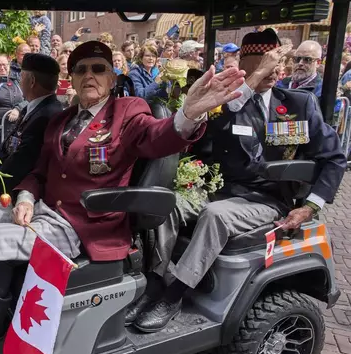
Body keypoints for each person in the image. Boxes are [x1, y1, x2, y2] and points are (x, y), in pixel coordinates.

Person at [0, 40, 247, 353]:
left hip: (87, 224)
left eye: (98, 69)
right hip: (45, 211)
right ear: (71, 79)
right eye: (81, 69)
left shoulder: (128, 112)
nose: (90, 75)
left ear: (112, 78)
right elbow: (39, 172)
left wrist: (188, 113)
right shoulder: (61, 120)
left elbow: (157, 137)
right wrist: (25, 199)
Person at [131, 29, 346, 332]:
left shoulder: (299, 104)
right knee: (168, 203)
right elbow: (217, 124)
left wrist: (311, 206)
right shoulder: (229, 101)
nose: (274, 70)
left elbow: (333, 157)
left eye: (277, 62)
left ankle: (174, 295)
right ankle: (155, 283)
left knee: (215, 216)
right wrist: (254, 78)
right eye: (265, 62)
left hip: (266, 199)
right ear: (245, 64)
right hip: (219, 188)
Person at [0, 53, 63, 203]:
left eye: (22, 76)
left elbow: (20, 164)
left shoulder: (46, 116)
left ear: (31, 81)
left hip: (20, 194)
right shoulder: (32, 108)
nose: (19, 80)